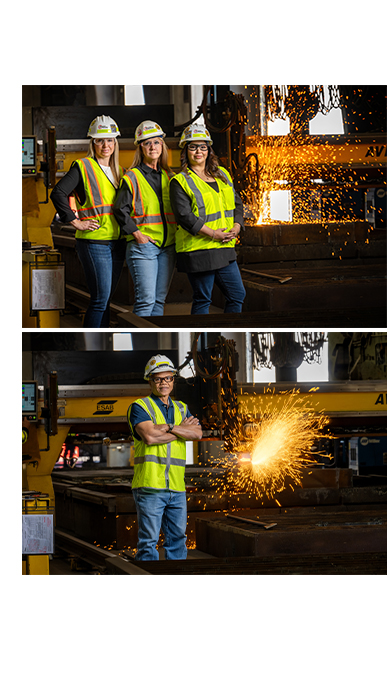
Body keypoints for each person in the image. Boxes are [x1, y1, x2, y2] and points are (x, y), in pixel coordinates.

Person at [50, 115, 126, 327]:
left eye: (110, 140)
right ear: (92, 143)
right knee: (100, 300)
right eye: (100, 140)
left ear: (115, 143)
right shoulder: (83, 166)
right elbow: (58, 193)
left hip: (117, 243)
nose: (105, 145)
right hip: (94, 242)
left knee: (106, 300)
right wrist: (75, 221)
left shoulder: (120, 171)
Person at [128, 355, 202, 560]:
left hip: (177, 487)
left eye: (168, 378)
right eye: (158, 379)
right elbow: (150, 437)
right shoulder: (140, 407)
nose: (164, 383)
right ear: (150, 381)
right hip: (150, 486)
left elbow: (197, 434)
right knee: (148, 543)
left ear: (173, 380)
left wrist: (169, 427)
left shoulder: (181, 408)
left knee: (178, 540)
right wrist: (180, 430)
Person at [170, 122, 245, 315]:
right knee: (203, 299)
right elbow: (184, 216)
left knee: (237, 295)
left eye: (203, 147)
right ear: (185, 151)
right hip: (199, 249)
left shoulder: (222, 174)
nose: (198, 152)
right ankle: (200, 340)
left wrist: (236, 227)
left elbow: (237, 203)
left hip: (224, 247)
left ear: (208, 150)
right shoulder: (180, 181)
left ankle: (225, 334)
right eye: (193, 147)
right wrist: (213, 234)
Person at [114, 121, 177, 318]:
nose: (152, 147)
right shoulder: (132, 176)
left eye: (156, 142)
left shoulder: (169, 176)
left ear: (162, 146)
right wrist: (137, 234)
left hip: (168, 247)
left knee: (159, 301)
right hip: (144, 246)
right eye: (147, 143)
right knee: (146, 301)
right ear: (140, 147)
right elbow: (119, 209)